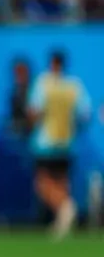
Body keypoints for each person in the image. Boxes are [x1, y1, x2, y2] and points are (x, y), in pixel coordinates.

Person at [29, 50, 91, 238]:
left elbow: (34, 112)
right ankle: (62, 224)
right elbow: (85, 115)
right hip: (67, 142)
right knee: (62, 182)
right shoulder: (74, 87)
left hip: (46, 142)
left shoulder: (43, 84)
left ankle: (66, 207)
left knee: (42, 184)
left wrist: (31, 124)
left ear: (51, 63)